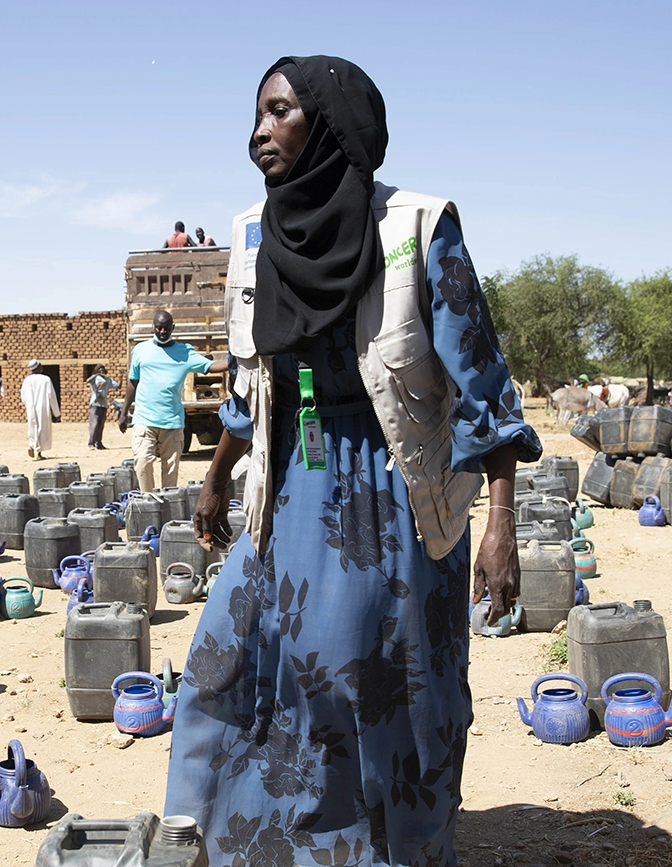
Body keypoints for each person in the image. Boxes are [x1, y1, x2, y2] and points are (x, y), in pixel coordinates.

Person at [164, 56, 540, 867]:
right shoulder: (254, 236)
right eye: (257, 114)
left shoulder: (415, 229)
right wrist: (218, 472)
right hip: (291, 477)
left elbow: (483, 387)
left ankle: (385, 848)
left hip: (390, 489)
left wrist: (500, 525)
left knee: (354, 681)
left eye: (279, 112)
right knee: (221, 664)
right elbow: (249, 384)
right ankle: (270, 844)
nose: (259, 132)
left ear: (331, 125)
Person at [118, 309, 223, 492]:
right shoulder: (140, 350)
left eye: (166, 328)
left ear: (172, 328)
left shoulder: (184, 353)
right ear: (153, 327)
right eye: (158, 328)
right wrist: (123, 411)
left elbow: (210, 366)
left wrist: (237, 360)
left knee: (170, 471)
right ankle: (148, 503)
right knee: (142, 462)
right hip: (145, 420)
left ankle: (168, 507)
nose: (162, 332)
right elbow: (133, 382)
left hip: (172, 422)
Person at [19, 359, 60, 459]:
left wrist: (28, 405)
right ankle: (39, 453)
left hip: (31, 407)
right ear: (38, 367)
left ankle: (32, 445)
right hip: (43, 407)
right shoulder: (46, 379)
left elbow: (23, 396)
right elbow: (52, 396)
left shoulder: (27, 380)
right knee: (42, 428)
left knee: (32, 426)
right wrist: (56, 413)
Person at [86, 365, 120, 450]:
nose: (101, 371)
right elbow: (87, 381)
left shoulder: (108, 380)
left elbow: (118, 386)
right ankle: (91, 443)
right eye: (99, 370)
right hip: (95, 404)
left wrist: (121, 377)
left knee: (101, 425)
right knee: (94, 424)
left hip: (103, 404)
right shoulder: (95, 379)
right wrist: (96, 374)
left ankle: (99, 443)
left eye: (102, 370)